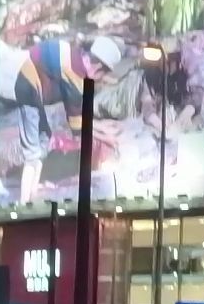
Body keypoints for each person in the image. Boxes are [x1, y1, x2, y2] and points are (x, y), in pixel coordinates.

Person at [10, 36, 123, 202]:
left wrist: (102, 130)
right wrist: (105, 137)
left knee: (43, 139)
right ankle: (24, 201)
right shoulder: (75, 77)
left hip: (33, 88)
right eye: (103, 74)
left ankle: (33, 192)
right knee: (32, 153)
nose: (100, 79)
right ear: (98, 66)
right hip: (28, 89)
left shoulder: (75, 56)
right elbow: (77, 127)